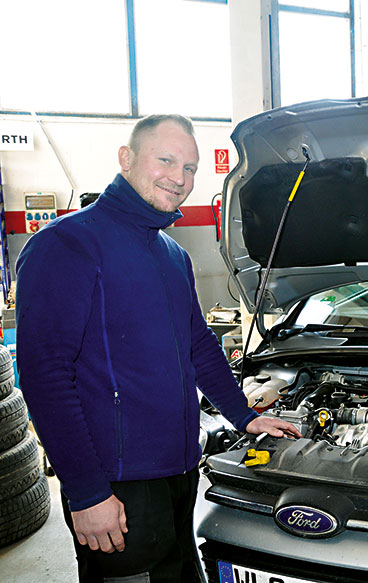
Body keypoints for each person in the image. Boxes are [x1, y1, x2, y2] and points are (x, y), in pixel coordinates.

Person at [16, 114, 301, 583]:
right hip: (115, 483)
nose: (180, 177)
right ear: (126, 158)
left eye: (190, 168)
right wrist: (87, 493)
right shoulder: (66, 246)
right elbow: (45, 378)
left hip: (180, 470)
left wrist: (244, 415)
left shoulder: (172, 254)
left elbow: (199, 345)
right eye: (166, 160)